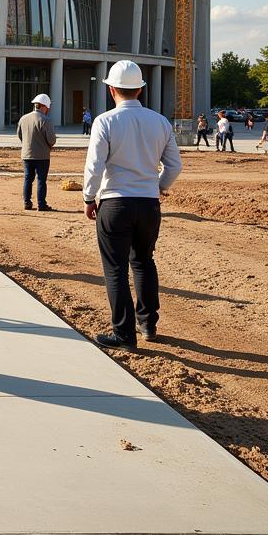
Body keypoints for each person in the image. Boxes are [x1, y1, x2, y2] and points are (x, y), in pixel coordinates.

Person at [82, 60, 182, 352]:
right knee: (144, 262)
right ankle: (147, 323)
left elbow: (95, 166)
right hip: (149, 204)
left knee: (115, 269)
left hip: (115, 202)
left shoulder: (105, 121)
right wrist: (160, 186)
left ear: (111, 89)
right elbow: (174, 166)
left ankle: (124, 334)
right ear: (140, 89)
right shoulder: (160, 121)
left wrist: (89, 198)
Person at [16, 93, 57, 211]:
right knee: (41, 180)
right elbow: (51, 139)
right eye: (48, 107)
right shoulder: (45, 120)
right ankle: (41, 204)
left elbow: (19, 135)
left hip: (27, 154)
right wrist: (49, 145)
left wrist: (27, 145)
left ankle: (27, 202)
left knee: (28, 178)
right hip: (42, 156)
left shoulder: (23, 118)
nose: (48, 110)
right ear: (44, 106)